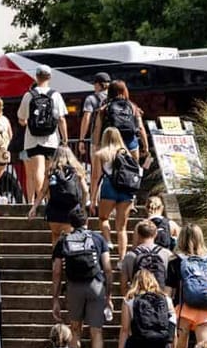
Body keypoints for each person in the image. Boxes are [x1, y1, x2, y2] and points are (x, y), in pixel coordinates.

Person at [51, 206, 112, 348]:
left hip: (74, 287)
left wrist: (55, 298)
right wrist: (108, 295)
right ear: (87, 221)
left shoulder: (63, 241)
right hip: (96, 286)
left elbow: (56, 271)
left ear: (70, 223)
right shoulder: (98, 238)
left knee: (75, 329)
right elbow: (108, 267)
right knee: (96, 330)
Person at [17, 65, 67, 204]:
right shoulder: (55, 95)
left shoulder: (29, 95)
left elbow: (21, 118)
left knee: (37, 170)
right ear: (49, 77)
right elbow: (61, 119)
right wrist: (65, 139)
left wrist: (28, 123)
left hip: (32, 140)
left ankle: (41, 200)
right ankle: (51, 199)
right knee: (50, 171)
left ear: (36, 77)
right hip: (51, 139)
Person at [28, 146, 89, 247]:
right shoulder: (77, 170)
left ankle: (56, 261)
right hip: (71, 210)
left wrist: (34, 208)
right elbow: (86, 191)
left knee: (55, 237)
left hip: (54, 210)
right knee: (70, 239)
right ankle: (68, 260)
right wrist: (82, 207)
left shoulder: (51, 171)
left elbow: (43, 191)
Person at [91, 126, 137, 260]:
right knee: (122, 227)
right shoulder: (127, 153)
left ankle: (108, 240)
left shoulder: (101, 154)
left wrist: (93, 198)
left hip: (109, 186)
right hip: (125, 189)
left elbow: (95, 177)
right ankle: (122, 259)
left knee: (104, 218)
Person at [94, 80, 149, 164]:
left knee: (112, 172)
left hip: (111, 144)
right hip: (131, 143)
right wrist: (145, 146)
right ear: (124, 90)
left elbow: (98, 127)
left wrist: (97, 145)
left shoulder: (105, 108)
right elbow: (140, 127)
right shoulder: (132, 106)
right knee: (133, 170)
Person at [119, 219, 174, 297]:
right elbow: (172, 285)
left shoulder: (130, 256)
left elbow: (123, 286)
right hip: (161, 301)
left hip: (139, 302)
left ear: (138, 234)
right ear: (156, 234)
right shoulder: (167, 254)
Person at [76, 72, 110, 165]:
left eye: (94, 84)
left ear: (98, 85)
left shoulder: (91, 99)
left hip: (97, 139)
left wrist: (81, 139)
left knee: (96, 170)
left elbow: (86, 118)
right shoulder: (115, 97)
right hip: (113, 138)